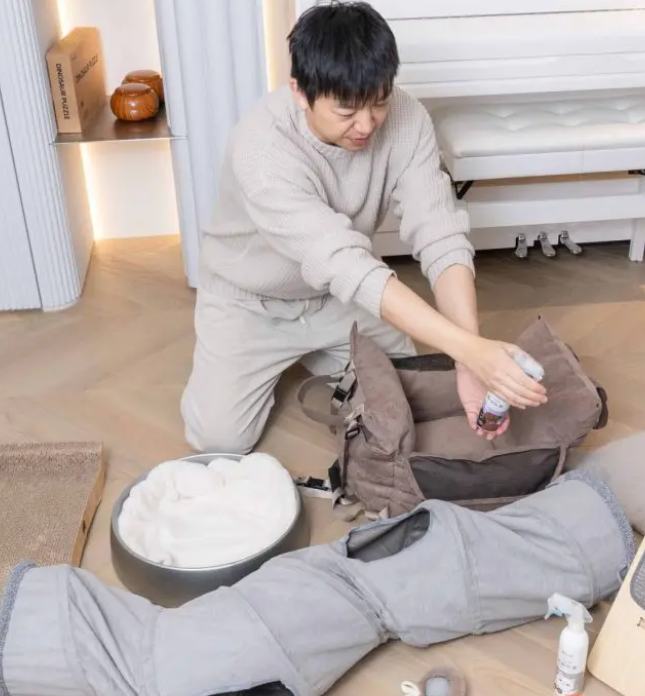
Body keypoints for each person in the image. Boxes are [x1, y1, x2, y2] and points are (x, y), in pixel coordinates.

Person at [181, 0, 547, 454]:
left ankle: (327, 353)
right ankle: (277, 358)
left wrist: (469, 355)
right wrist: (470, 352)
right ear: (300, 92)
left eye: (379, 103)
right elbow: (346, 263)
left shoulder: (407, 117)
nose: (366, 124)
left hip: (339, 298)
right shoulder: (262, 148)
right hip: (251, 302)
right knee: (219, 439)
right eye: (347, 111)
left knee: (407, 388)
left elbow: (441, 234)